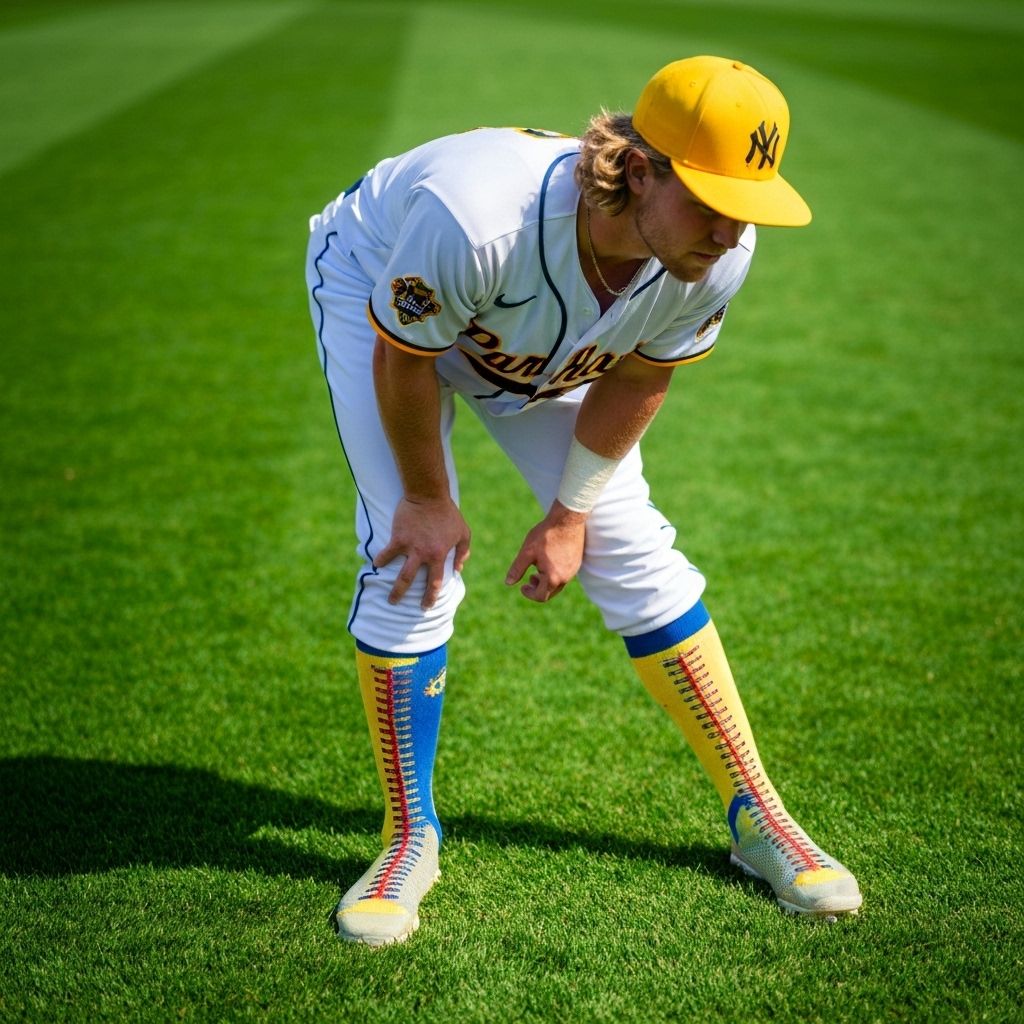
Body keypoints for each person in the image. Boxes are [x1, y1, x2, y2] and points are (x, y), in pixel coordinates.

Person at [305, 55, 862, 946]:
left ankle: (760, 817)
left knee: (628, 543)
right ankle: (409, 838)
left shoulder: (713, 253)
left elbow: (642, 374)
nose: (729, 231)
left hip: (524, 330)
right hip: (383, 295)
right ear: (639, 167)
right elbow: (405, 355)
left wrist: (569, 516)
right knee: (410, 556)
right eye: (711, 199)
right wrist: (424, 497)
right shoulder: (479, 217)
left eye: (746, 205)